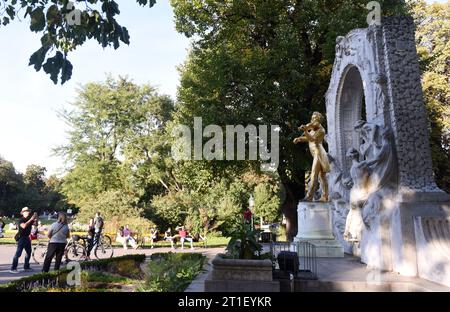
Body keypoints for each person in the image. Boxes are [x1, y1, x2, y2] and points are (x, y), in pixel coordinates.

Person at [10, 207, 37, 273]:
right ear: (23, 213)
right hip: (21, 238)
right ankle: (13, 268)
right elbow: (24, 226)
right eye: (26, 211)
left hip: (27, 237)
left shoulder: (29, 219)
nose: (28, 212)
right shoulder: (21, 220)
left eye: (28, 211)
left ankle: (26, 266)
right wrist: (31, 219)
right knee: (18, 254)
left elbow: (36, 225)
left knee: (28, 252)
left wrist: (36, 218)